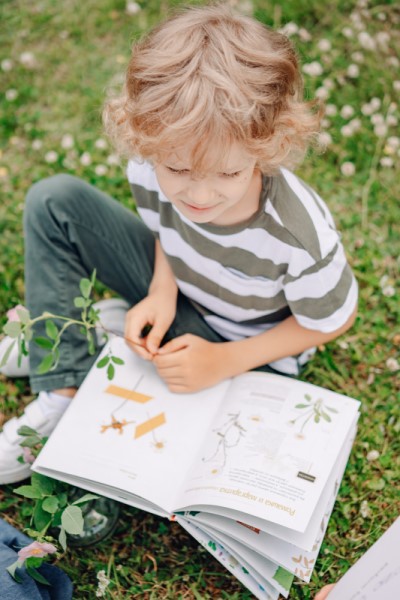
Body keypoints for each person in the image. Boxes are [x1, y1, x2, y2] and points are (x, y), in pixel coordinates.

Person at [0, 3, 358, 485]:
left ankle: (89, 341)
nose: (199, 194)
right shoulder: (151, 168)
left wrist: (222, 361)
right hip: (183, 298)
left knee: (138, 462)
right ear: (145, 140)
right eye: (179, 170)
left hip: (246, 354)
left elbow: (333, 319)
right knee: (53, 200)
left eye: (228, 173)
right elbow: (168, 231)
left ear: (267, 144)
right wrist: (161, 292)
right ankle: (61, 387)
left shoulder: (298, 235)